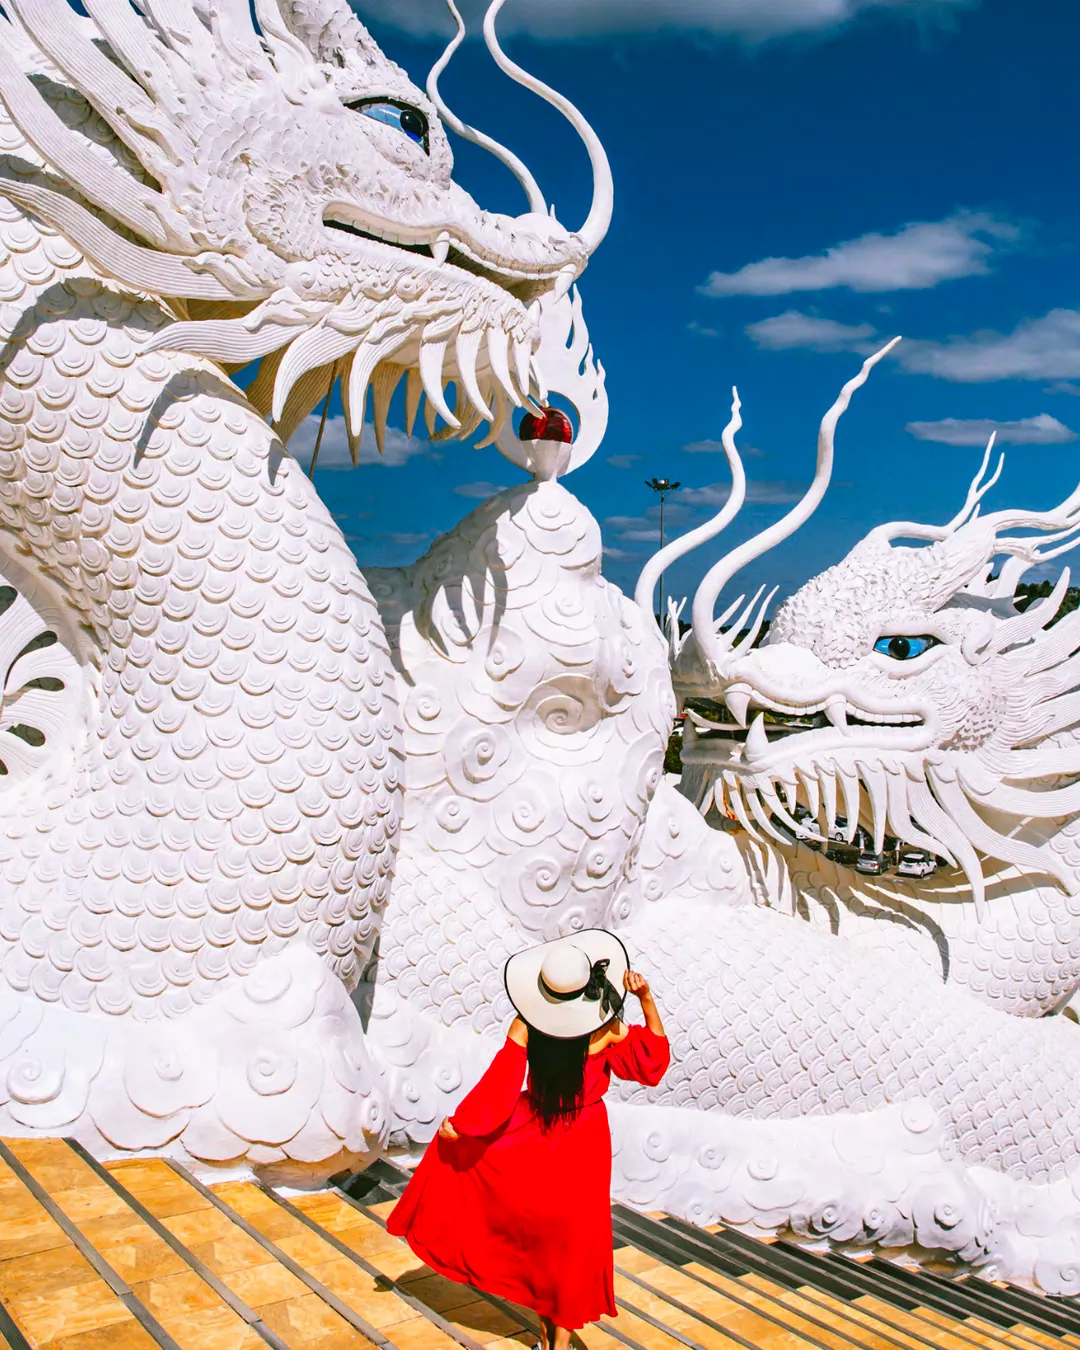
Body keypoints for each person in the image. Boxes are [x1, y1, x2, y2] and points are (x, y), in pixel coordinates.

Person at [387, 930, 669, 1350]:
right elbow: (654, 1063)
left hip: (535, 1130)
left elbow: (500, 1084)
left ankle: (548, 1339)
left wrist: (462, 1125)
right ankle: (557, 1342)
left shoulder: (526, 1025)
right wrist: (646, 998)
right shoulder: (607, 1028)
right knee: (571, 1243)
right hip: (585, 1140)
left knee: (540, 1240)